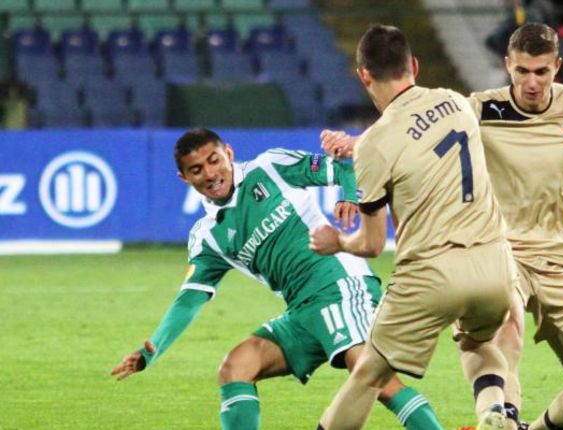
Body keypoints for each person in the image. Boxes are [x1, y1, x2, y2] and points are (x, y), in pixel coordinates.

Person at [321, 22, 563, 430]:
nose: (532, 82)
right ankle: (501, 417)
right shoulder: (479, 108)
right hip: (499, 251)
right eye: (523, 71)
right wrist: (359, 142)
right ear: (508, 65)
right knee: (504, 336)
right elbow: (414, 127)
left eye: (542, 72)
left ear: (557, 67)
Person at [110, 128, 444, 430]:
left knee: (375, 379)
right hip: (301, 309)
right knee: (236, 366)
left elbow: (342, 166)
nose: (210, 174)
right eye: (196, 170)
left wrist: (347, 195)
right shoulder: (208, 236)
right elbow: (189, 300)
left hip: (340, 283)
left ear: (228, 152)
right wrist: (151, 350)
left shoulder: (269, 167)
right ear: (184, 178)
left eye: (214, 160)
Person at [309, 24, 517, 430]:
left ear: (363, 75)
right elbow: (422, 135)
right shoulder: (455, 103)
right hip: (494, 267)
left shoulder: (375, 145)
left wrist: (337, 241)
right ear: (415, 66)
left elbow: (370, 244)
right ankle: (495, 411)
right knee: (480, 343)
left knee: (369, 373)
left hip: (431, 273)